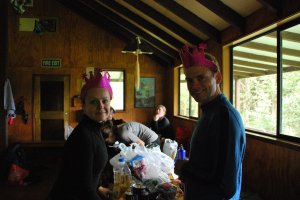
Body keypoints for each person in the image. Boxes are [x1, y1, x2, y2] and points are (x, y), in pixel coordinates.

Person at [175, 43, 246, 200]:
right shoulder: (210, 112)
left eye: (201, 78)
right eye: (189, 80)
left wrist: (185, 169)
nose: (194, 86)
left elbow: (225, 185)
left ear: (218, 78)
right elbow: (212, 167)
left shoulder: (223, 117)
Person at [49, 70, 113, 200]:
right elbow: (83, 190)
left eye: (104, 101)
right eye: (93, 102)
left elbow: (84, 176)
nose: (101, 106)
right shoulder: (83, 137)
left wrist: (99, 188)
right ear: (83, 106)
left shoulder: (94, 128)